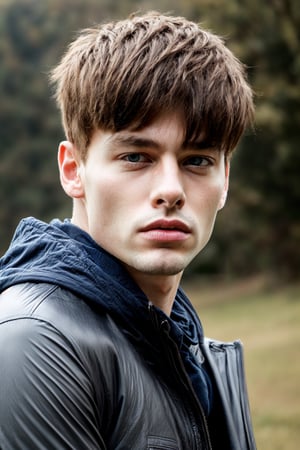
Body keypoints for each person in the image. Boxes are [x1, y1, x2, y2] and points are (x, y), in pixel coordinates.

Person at [0, 11, 256, 450]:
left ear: (225, 180)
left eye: (197, 160)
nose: (171, 190)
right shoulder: (32, 340)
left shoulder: (180, 341)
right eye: (137, 157)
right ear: (72, 170)